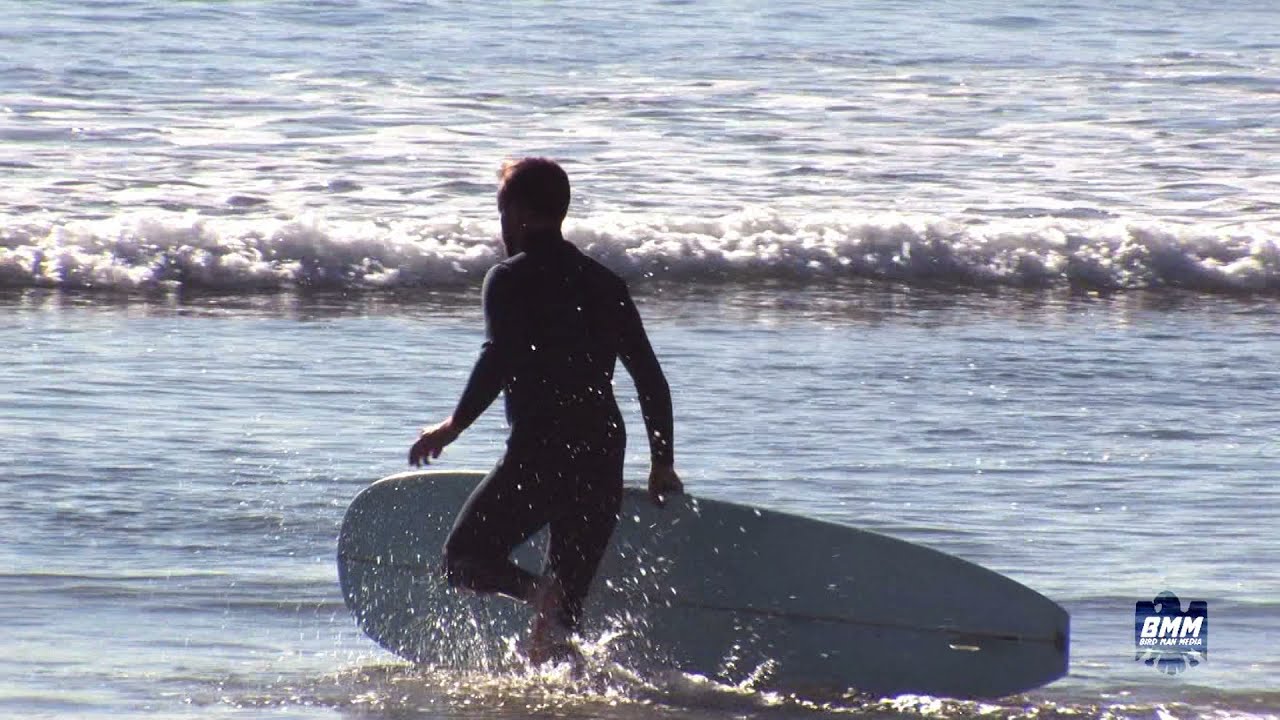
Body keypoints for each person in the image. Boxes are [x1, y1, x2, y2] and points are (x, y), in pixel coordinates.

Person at [408, 157, 682, 665]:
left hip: (543, 449)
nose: (501, 226)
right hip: (603, 450)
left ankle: (540, 593)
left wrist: (453, 426)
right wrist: (661, 462)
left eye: (501, 212)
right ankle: (564, 673)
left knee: (465, 559)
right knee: (563, 622)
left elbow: (499, 357)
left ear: (518, 213)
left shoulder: (509, 279)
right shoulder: (605, 283)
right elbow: (650, 378)